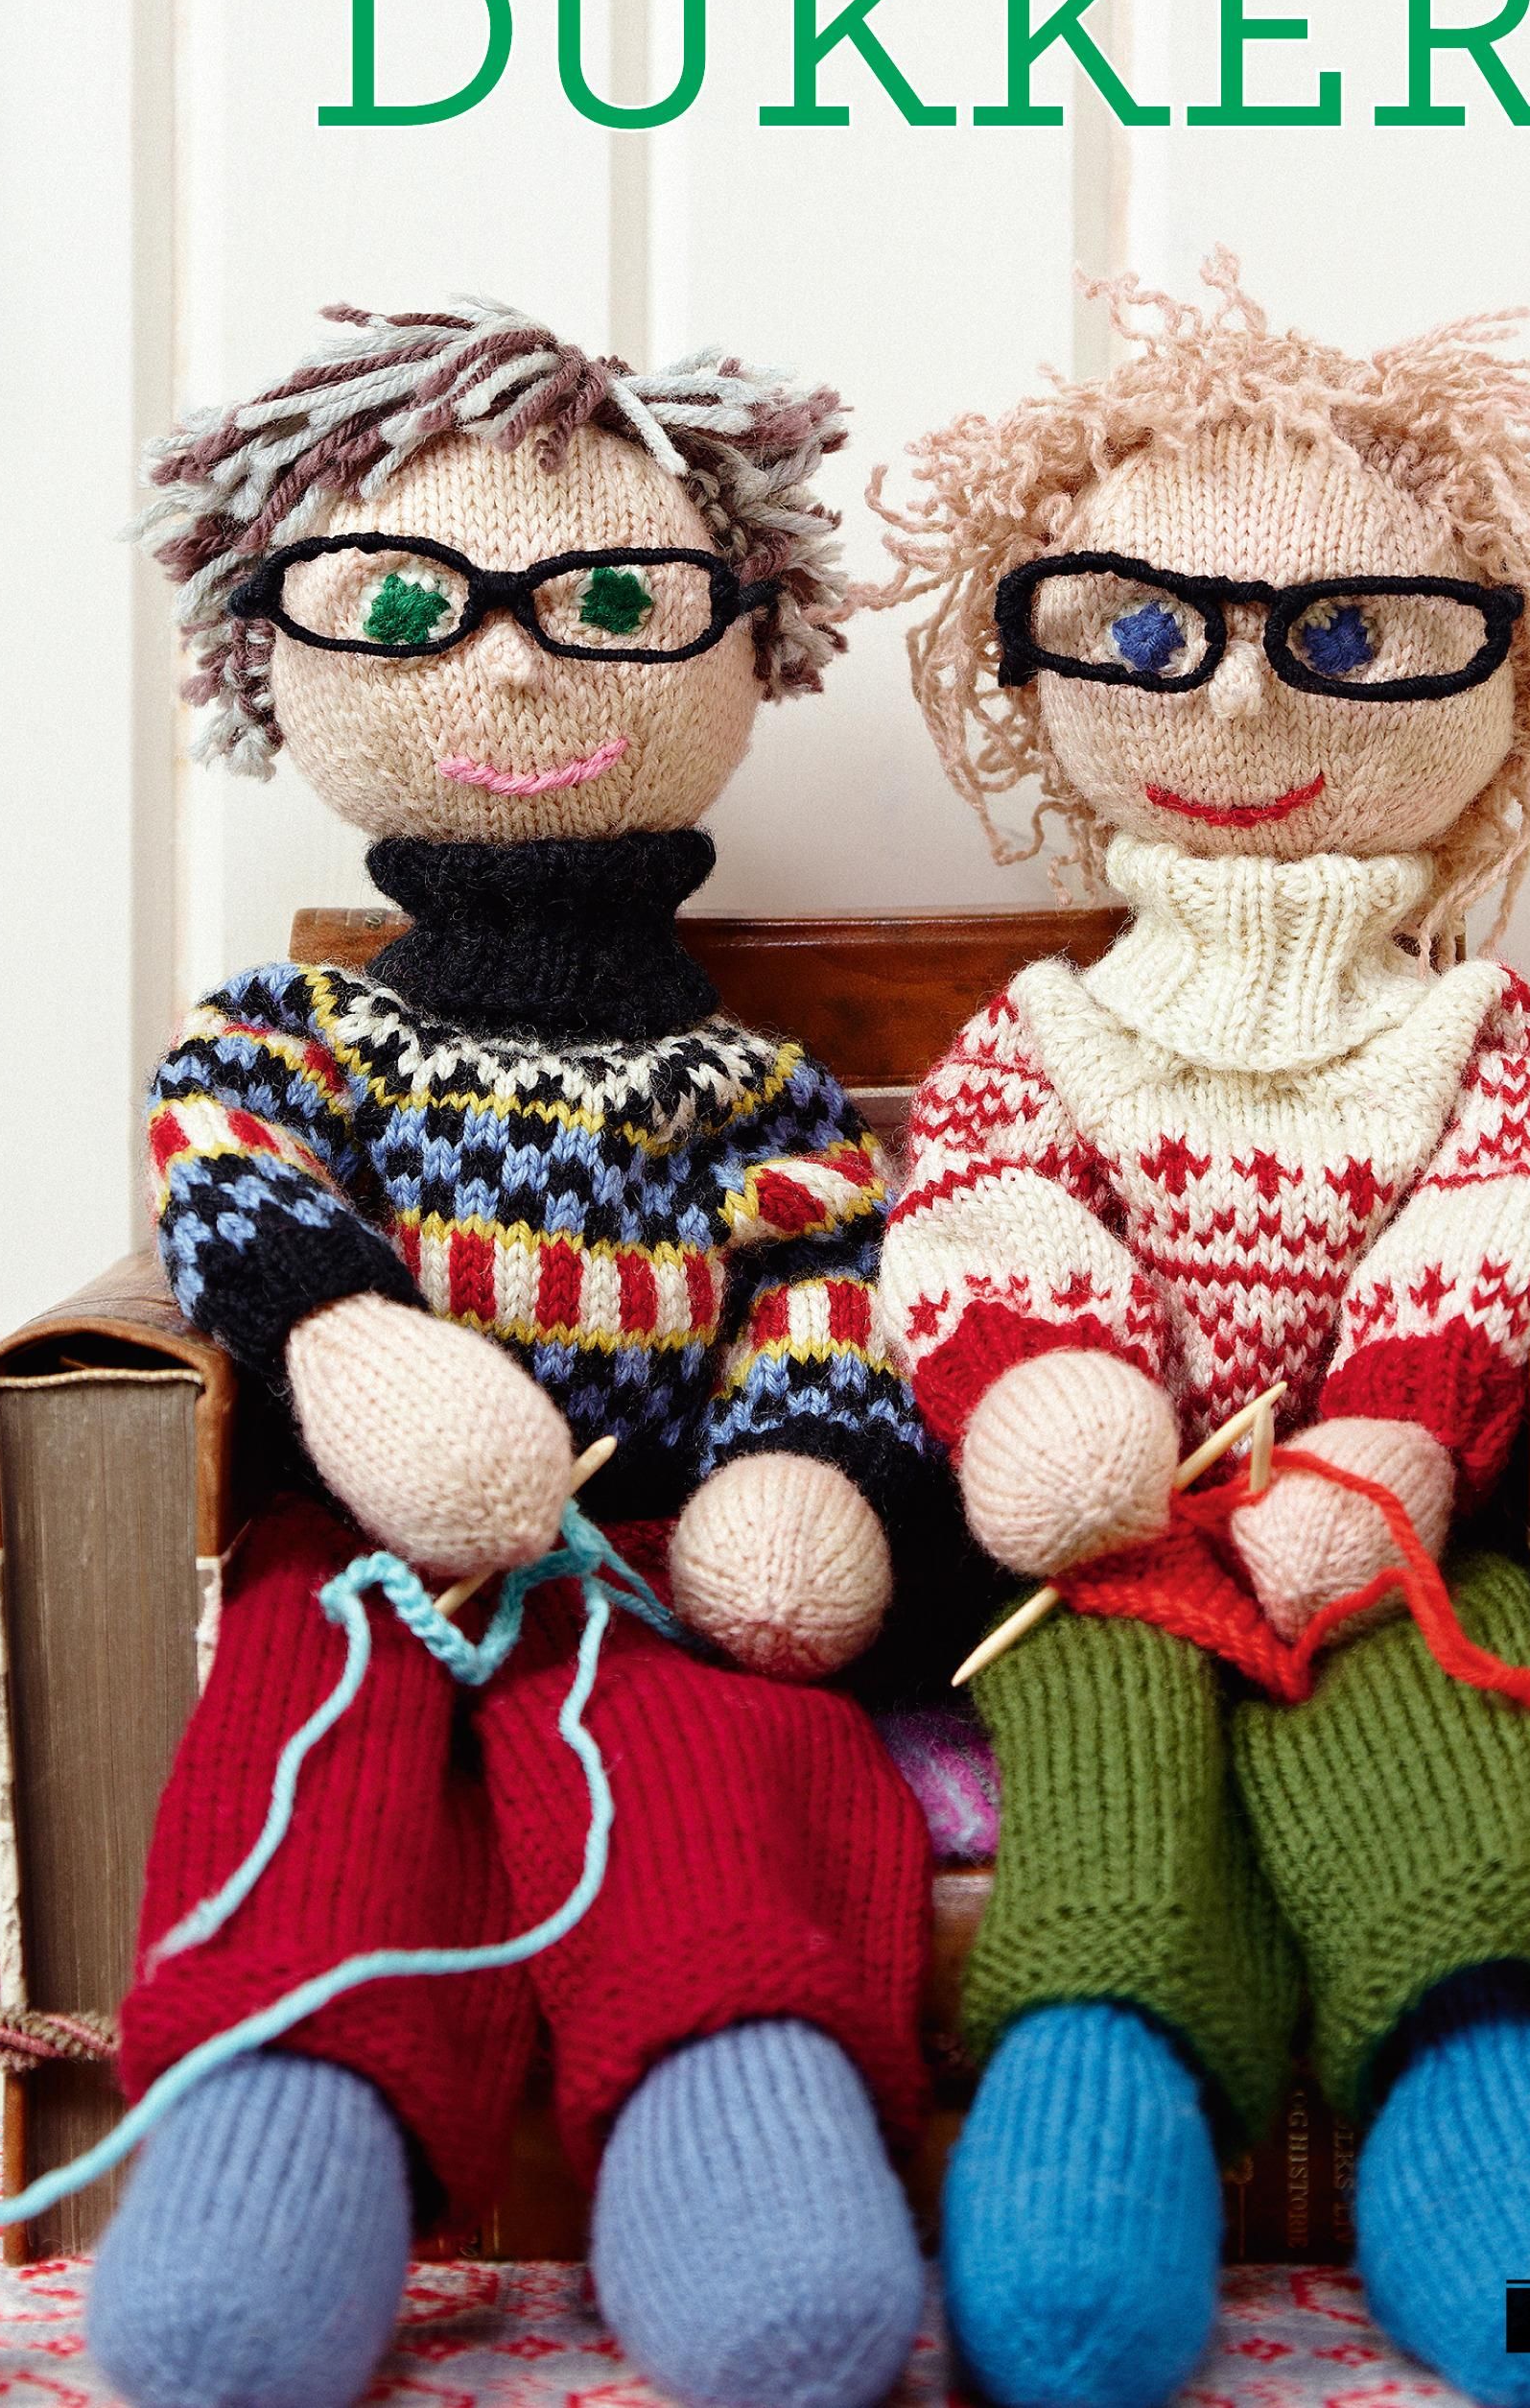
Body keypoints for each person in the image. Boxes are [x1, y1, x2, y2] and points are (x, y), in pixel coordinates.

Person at [91, 299, 932, 2408]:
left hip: (661, 1558)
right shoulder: (306, 1027)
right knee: (319, 1739)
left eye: (611, 604)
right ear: (280, 651)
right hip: (365, 1541)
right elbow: (227, 1163)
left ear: (737, 636)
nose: (518, 664)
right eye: (406, 607)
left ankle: (737, 2109)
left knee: (726, 1761)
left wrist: (797, 1469)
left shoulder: (749, 1085)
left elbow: (824, 1277)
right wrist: (352, 1344)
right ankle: (284, 2129)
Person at [873, 252, 1530, 2408]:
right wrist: (1053, 1393)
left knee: (1438, 1739)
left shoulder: (1472, 1032)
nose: (1236, 712)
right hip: (1105, 1548)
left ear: (1495, 672)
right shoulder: (1045, 1031)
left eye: (1338, 639)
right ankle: (1097, 2061)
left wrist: (1387, 1445)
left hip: (1385, 1536)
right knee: (1104, 1752)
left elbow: (1500, 1227)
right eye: (1151, 637)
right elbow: (977, 1211)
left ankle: (1475, 2066)